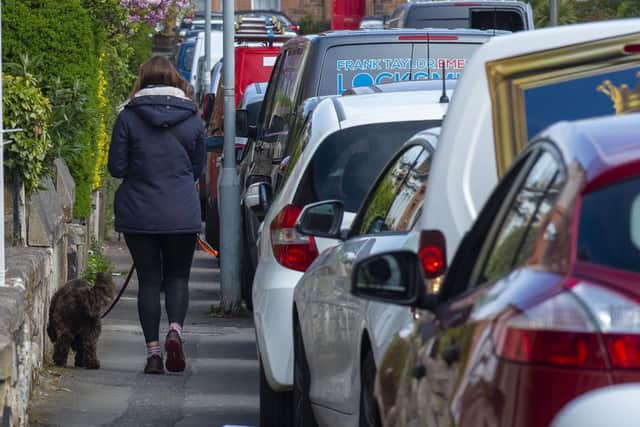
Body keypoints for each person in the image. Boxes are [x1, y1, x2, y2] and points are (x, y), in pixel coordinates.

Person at [108, 56, 205, 374]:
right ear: (175, 80)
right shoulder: (192, 116)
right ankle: (175, 329)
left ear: (142, 80)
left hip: (140, 212)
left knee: (149, 282)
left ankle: (153, 354)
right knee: (178, 278)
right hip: (181, 212)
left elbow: (116, 168)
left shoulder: (127, 117)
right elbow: (198, 168)